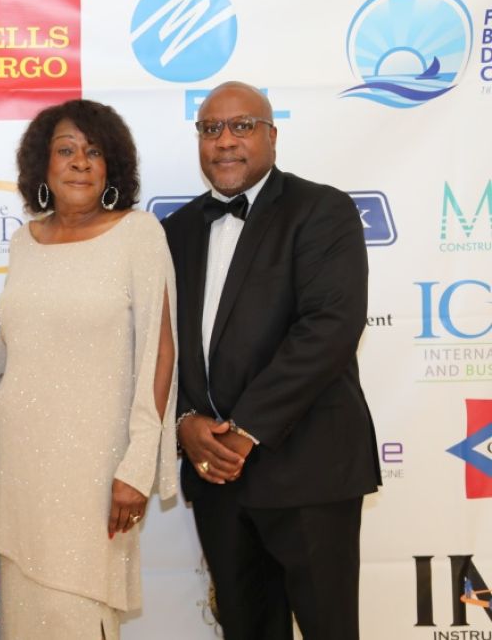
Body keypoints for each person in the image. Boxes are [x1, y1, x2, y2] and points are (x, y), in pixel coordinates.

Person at [162, 81, 381, 639]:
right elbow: (162, 345)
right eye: (211, 128)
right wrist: (184, 421)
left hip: (309, 468)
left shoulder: (321, 210)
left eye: (242, 126)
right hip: (216, 477)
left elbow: (329, 329)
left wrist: (245, 430)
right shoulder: (175, 231)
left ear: (272, 136)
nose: (225, 140)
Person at [0, 99, 178, 639]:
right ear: (42, 166)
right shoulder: (24, 242)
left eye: (93, 152)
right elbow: (9, 356)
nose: (79, 162)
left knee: (80, 612)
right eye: (65, 150)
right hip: (25, 466)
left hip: (99, 467)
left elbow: (160, 353)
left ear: (111, 166)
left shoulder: (139, 234)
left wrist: (138, 463)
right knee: (27, 611)